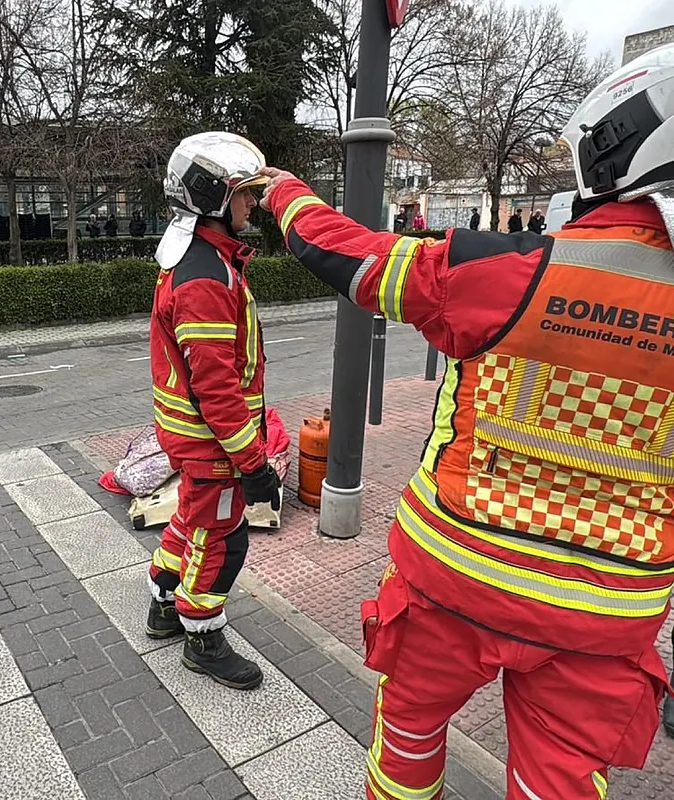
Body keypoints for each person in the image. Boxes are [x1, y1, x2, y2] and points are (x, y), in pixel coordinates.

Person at [260, 42, 674, 799]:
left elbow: (348, 256)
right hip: (607, 613)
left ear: (613, 146)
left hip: (456, 576)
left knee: (410, 738)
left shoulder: (507, 271)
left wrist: (284, 192)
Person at [146, 131, 282, 691]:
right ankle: (202, 636)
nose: (254, 205)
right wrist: (253, 463)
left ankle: (162, 601)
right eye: (245, 195)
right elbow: (219, 388)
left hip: (195, 437)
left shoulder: (199, 257)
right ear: (213, 198)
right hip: (213, 440)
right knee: (223, 538)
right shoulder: (205, 275)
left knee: (191, 517)